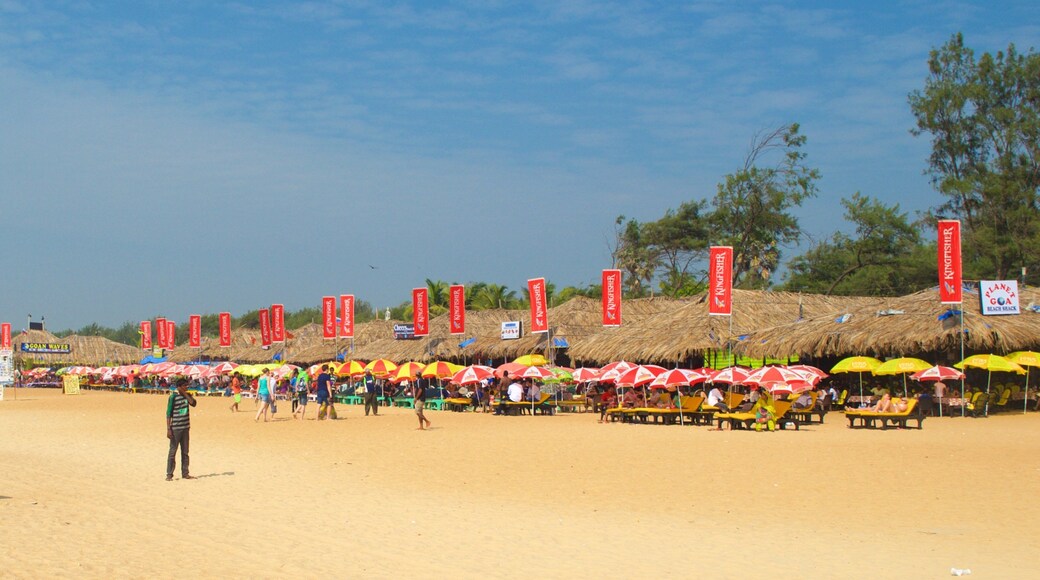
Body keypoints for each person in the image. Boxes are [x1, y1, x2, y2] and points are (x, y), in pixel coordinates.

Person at [166, 378, 197, 481]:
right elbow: (168, 414)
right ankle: (169, 474)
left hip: (185, 428)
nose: (186, 387)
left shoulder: (187, 396)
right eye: (184, 386)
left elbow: (193, 403)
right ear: (179, 387)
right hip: (175, 428)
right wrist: (168, 429)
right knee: (173, 451)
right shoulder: (173, 397)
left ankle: (185, 473)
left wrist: (185, 393)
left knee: (185, 452)